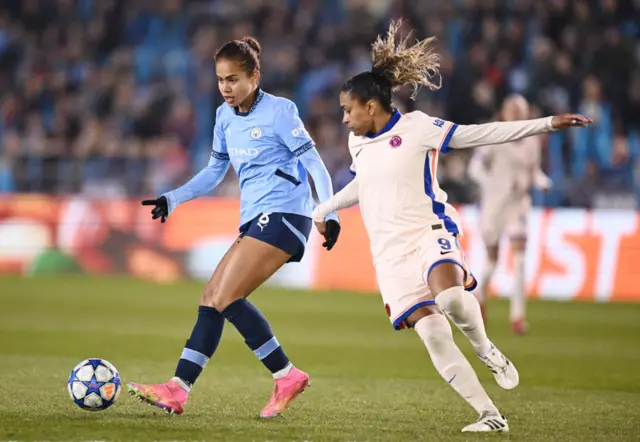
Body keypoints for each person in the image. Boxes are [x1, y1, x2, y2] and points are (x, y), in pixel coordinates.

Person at [312, 20, 592, 433]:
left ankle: (485, 347)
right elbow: (365, 183)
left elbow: (481, 134)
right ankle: (490, 416)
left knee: (451, 298)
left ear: (370, 107)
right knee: (434, 337)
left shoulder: (418, 128)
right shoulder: (358, 143)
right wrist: (325, 210)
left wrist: (545, 123)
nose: (343, 119)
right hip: (389, 255)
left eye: (346, 109)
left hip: (429, 231)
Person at [128, 36, 341, 418]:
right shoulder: (223, 116)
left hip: (286, 216)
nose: (226, 87)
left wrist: (329, 212)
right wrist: (173, 198)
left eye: (233, 79)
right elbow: (214, 171)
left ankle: (287, 375)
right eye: (220, 80)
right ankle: (178, 389)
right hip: (255, 219)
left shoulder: (281, 111)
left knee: (226, 296)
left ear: (254, 76)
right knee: (210, 298)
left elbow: (315, 166)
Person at [468, 95, 552, 334]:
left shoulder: (531, 141)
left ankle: (517, 316)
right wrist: (491, 185)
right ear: (503, 112)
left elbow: (534, 171)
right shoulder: (493, 136)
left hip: (518, 204)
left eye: (520, 110)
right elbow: (474, 169)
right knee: (492, 262)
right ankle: (479, 295)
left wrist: (542, 181)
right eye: (511, 109)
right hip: (494, 205)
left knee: (520, 260)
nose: (516, 113)